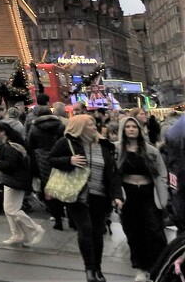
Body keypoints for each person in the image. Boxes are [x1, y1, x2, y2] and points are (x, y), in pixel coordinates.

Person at [49, 114, 121, 282]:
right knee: (86, 229)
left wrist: (117, 195)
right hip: (77, 195)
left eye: (95, 124)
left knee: (97, 232)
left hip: (100, 195)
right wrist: (69, 160)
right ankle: (89, 268)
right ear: (80, 127)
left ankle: (98, 268)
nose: (95, 126)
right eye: (90, 124)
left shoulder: (104, 145)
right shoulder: (67, 142)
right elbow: (51, 159)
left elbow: (113, 172)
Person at [116, 115, 168, 282]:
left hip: (148, 194)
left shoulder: (150, 150)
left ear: (139, 130)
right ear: (123, 129)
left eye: (134, 127)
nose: (131, 129)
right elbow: (112, 175)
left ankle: (159, 267)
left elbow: (162, 173)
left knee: (154, 231)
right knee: (134, 232)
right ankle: (140, 268)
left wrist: (164, 195)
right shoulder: (116, 150)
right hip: (128, 195)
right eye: (128, 127)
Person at [0, 119, 44, 247]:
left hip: (14, 180)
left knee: (11, 209)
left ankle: (35, 229)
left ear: (2, 132)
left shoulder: (8, 146)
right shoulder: (14, 144)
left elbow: (9, 165)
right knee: (10, 208)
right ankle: (18, 234)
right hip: (17, 180)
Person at [27, 97, 68, 230]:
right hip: (59, 158)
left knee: (48, 190)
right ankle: (65, 213)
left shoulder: (34, 128)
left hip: (42, 161)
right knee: (61, 187)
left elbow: (30, 144)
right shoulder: (60, 125)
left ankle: (57, 219)